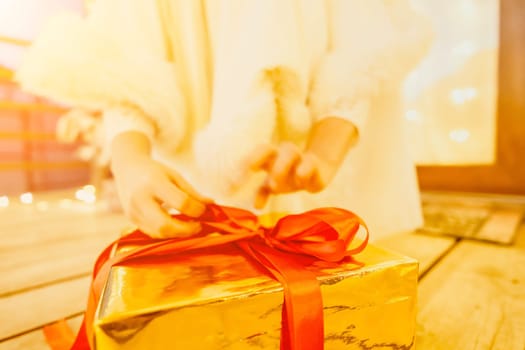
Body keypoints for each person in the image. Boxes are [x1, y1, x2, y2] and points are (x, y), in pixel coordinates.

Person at [16, 0, 432, 240]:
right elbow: (126, 51)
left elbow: (361, 36)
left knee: (338, 301)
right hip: (198, 186)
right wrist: (130, 160)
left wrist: (325, 149)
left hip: (325, 171)